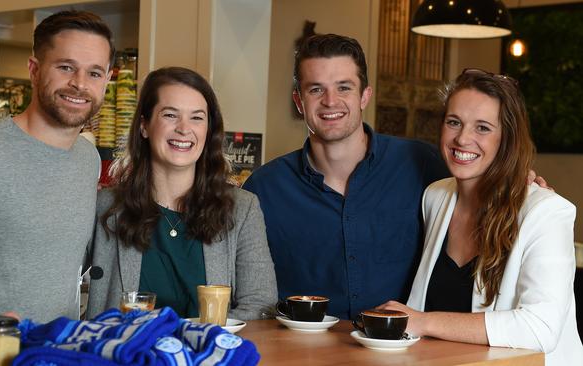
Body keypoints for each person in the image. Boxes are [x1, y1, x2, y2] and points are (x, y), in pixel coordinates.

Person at [378, 69, 583, 365]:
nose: (463, 138)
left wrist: (423, 321)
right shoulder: (435, 197)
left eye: (483, 128)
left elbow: (541, 329)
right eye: (454, 122)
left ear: (507, 139)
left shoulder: (546, 212)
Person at [242, 34, 449, 320]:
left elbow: (480, 207)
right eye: (316, 89)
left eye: (344, 87)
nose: (330, 101)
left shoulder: (423, 164)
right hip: (302, 355)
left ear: (365, 95)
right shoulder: (262, 189)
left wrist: (523, 188)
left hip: (402, 352)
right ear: (299, 101)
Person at [0, 10, 114, 322]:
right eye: (66, 67)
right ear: (34, 69)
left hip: (56, 352)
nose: (80, 84)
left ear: (107, 80)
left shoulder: (88, 159)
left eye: (94, 73)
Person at [86, 67, 277, 320]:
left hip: (208, 356)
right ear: (144, 126)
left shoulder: (243, 209)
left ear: (209, 131)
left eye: (197, 118)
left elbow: (260, 304)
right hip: (124, 355)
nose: (184, 129)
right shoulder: (104, 207)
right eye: (170, 115)